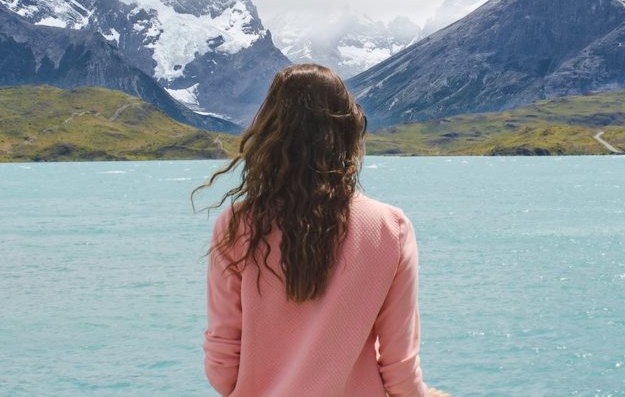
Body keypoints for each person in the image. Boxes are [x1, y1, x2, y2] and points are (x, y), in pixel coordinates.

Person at [192, 63, 450, 397]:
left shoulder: (237, 224)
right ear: (348, 135)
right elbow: (400, 372)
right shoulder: (391, 228)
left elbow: (222, 370)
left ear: (269, 134)